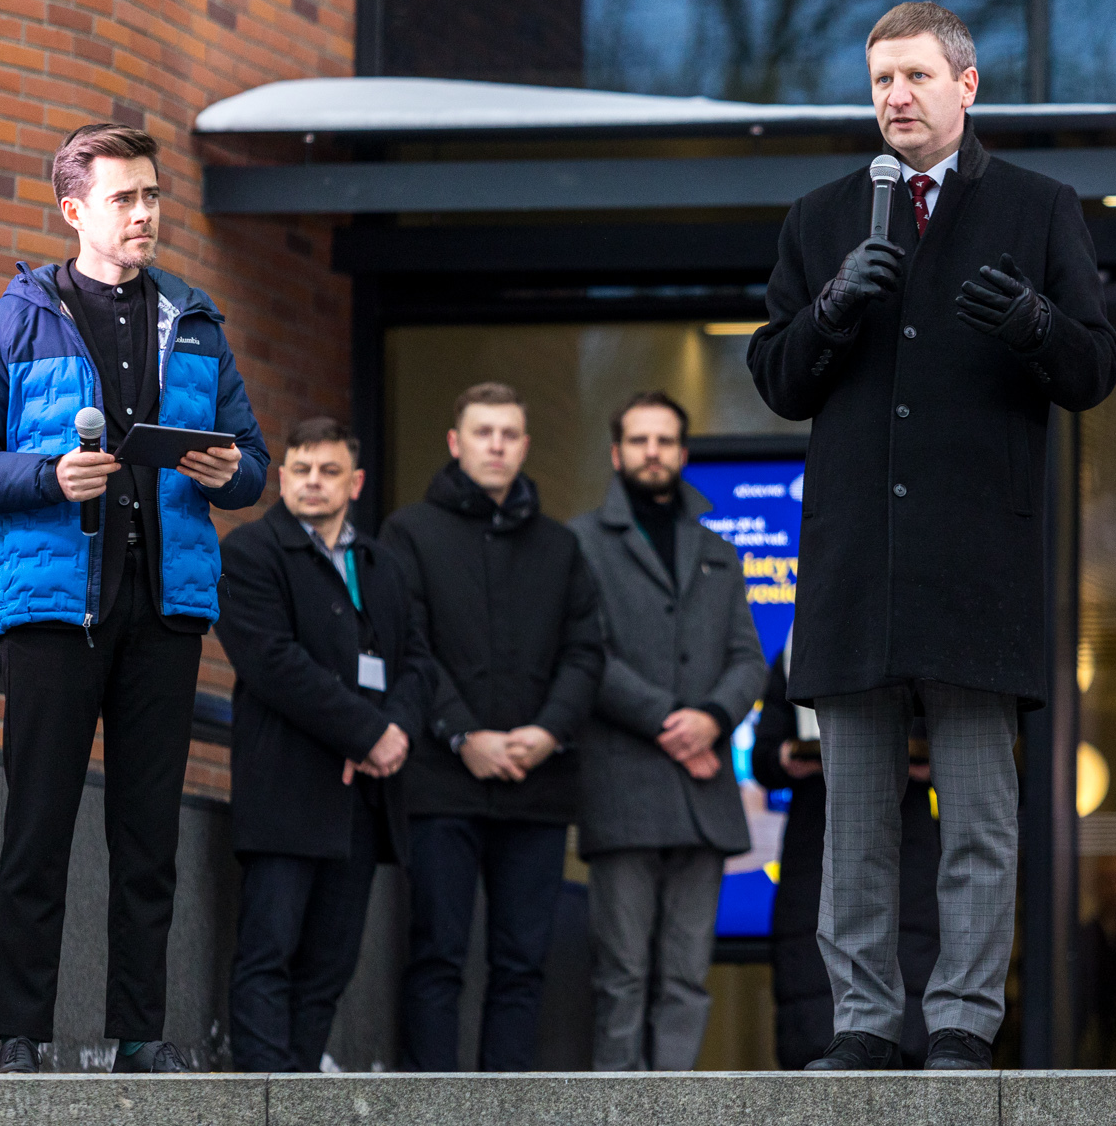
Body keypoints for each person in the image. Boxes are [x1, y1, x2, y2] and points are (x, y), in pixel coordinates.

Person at [746, 2, 1116, 1070]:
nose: (893, 99)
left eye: (912, 76)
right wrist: (826, 312)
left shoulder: (1038, 209)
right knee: (852, 818)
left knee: (978, 821)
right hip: (856, 563)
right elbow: (775, 377)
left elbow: (1093, 368)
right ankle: (862, 1022)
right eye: (878, 83)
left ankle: (960, 1019)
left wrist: (1032, 326)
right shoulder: (823, 216)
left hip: (976, 563)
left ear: (966, 85)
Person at [0, 123, 268, 1074]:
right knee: (38, 827)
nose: (146, 214)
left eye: (153, 196)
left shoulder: (195, 322)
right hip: (53, 611)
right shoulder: (13, 319)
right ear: (74, 210)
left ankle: (140, 1036)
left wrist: (229, 466)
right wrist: (47, 476)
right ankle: (20, 1036)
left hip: (164, 609)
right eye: (126, 199)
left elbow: (255, 466)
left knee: (147, 838)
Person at [379, 382, 604, 1072]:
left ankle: (507, 1111)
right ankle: (430, 1113)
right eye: (484, 432)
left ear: (526, 444)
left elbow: (586, 650)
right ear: (456, 441)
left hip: (539, 783)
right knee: (438, 955)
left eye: (509, 433)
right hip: (443, 781)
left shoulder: (561, 546)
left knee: (522, 962)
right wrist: (462, 735)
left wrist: (546, 732)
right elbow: (404, 643)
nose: (497, 444)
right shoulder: (408, 532)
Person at [215, 417, 435, 1071]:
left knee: (330, 964)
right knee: (269, 954)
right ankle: (264, 1101)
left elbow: (419, 662)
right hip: (287, 789)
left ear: (355, 481)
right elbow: (272, 662)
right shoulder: (251, 552)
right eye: (302, 469)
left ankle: (302, 1090)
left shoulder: (382, 564)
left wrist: (396, 733)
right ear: (283, 476)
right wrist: (367, 732)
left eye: (329, 470)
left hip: (362, 804)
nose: (313, 482)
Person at [567, 391, 768, 1071]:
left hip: (703, 795)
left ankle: (675, 1107)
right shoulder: (582, 542)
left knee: (686, 974)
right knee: (621, 974)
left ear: (682, 454)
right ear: (617, 452)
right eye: (639, 440)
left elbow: (748, 656)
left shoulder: (717, 549)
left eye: (665, 441)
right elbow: (585, 653)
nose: (653, 452)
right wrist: (668, 721)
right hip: (623, 787)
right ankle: (619, 1115)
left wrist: (712, 718)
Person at [750, 637, 943, 1070]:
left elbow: (955, 749)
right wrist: (785, 756)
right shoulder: (798, 647)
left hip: (905, 835)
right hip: (814, 838)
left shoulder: (918, 643)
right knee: (816, 1004)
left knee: (909, 972)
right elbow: (763, 755)